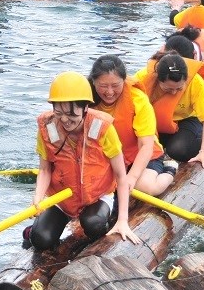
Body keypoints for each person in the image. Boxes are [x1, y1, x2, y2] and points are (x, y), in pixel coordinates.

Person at [27, 72, 139, 250]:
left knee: (94, 225)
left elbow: (120, 175)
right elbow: (45, 170)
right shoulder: (47, 128)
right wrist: (39, 197)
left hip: (96, 195)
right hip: (63, 197)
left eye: (71, 114)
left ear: (85, 108)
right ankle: (33, 231)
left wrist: (123, 220)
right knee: (41, 239)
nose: (64, 120)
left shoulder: (102, 128)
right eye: (59, 112)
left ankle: (103, 222)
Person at [88, 56, 176, 197]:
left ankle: (170, 169)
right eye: (103, 86)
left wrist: (132, 177)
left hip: (140, 154)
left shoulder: (137, 99)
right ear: (93, 82)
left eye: (115, 85)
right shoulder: (85, 99)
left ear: (124, 80)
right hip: (111, 156)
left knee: (146, 187)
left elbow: (145, 145)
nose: (109, 92)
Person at [133, 53, 204, 171]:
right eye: (168, 89)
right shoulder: (142, 78)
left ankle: (198, 139)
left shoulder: (195, 82)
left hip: (185, 121)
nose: (174, 93)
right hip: (153, 123)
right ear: (157, 79)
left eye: (179, 88)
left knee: (178, 151)